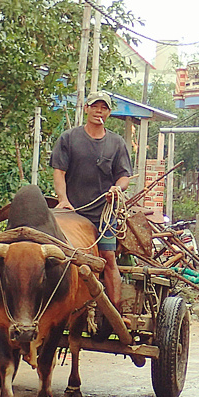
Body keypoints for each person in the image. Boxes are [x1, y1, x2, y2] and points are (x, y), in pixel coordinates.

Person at [51, 91, 133, 332]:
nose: (99, 111)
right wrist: (63, 199)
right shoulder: (69, 139)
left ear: (109, 112)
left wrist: (116, 190)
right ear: (86, 108)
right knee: (55, 257)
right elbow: (59, 171)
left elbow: (124, 176)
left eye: (104, 108)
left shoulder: (116, 143)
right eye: (95, 106)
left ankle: (114, 313)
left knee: (107, 259)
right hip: (72, 212)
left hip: (104, 213)